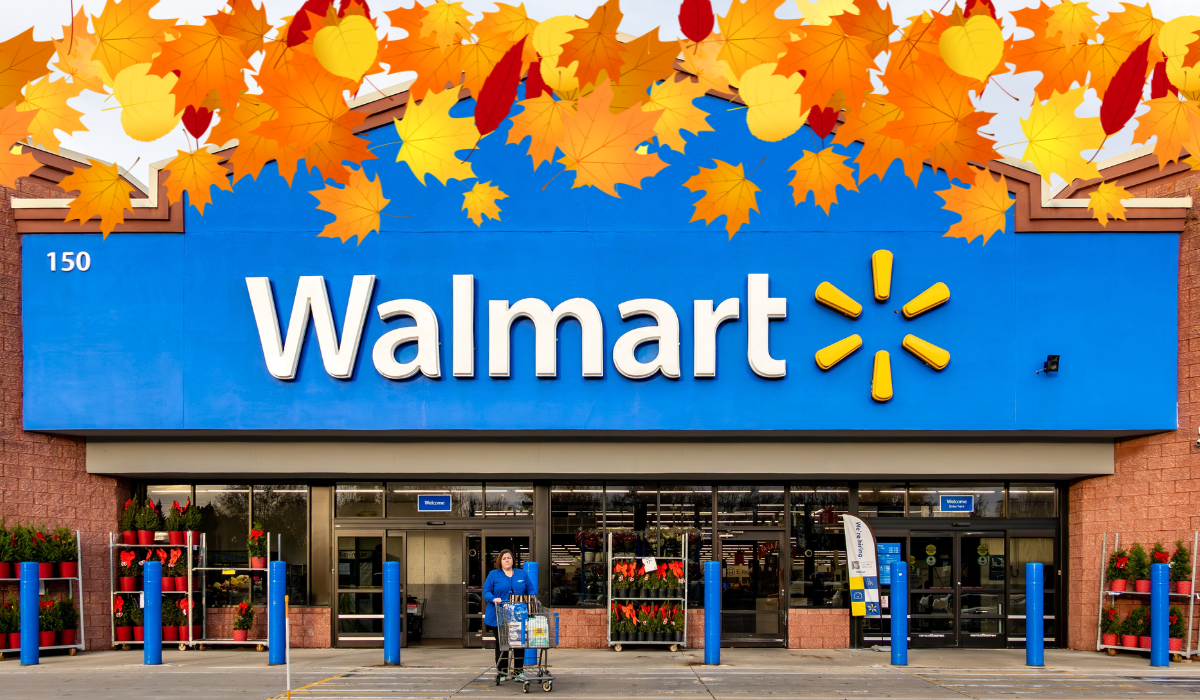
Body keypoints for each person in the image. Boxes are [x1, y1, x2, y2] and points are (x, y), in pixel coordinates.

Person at [483, 548, 533, 680]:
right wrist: (493, 598)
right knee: (502, 643)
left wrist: (532, 601)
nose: (507, 560)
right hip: (498, 615)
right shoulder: (493, 574)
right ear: (500, 561)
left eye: (509, 558)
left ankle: (518, 671)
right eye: (504, 558)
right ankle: (502, 671)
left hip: (517, 616)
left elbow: (531, 590)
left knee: (519, 642)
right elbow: (486, 591)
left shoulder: (522, 574)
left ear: (513, 560)